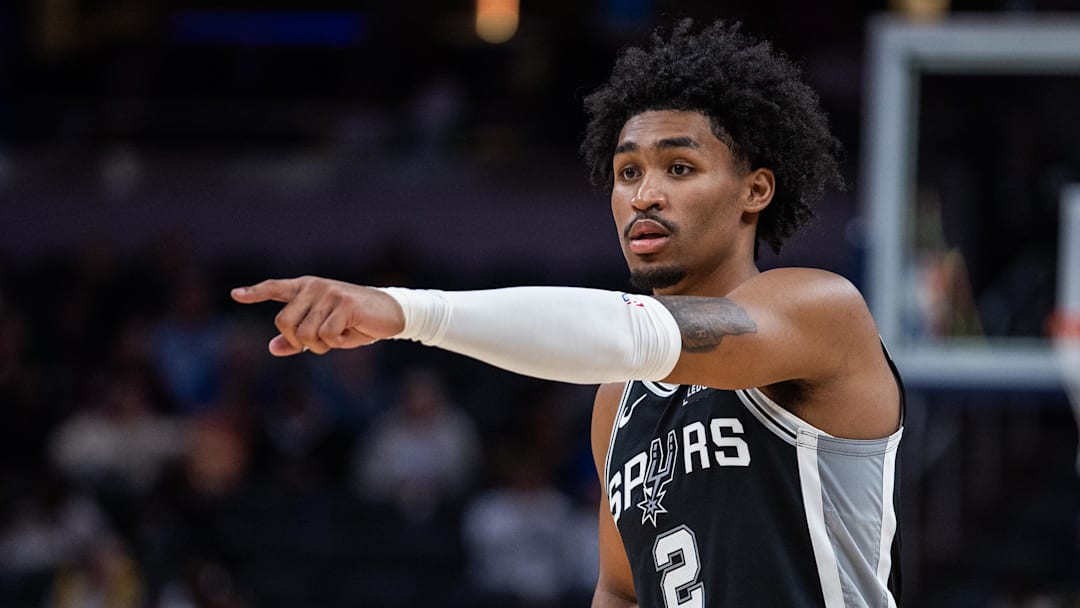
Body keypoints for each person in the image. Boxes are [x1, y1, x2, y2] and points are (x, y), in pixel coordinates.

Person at [231, 19, 903, 607]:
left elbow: (636, 330)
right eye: (628, 172)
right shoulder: (619, 402)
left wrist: (406, 311)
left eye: (679, 168)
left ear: (754, 189)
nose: (644, 195)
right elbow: (620, 588)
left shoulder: (820, 312)